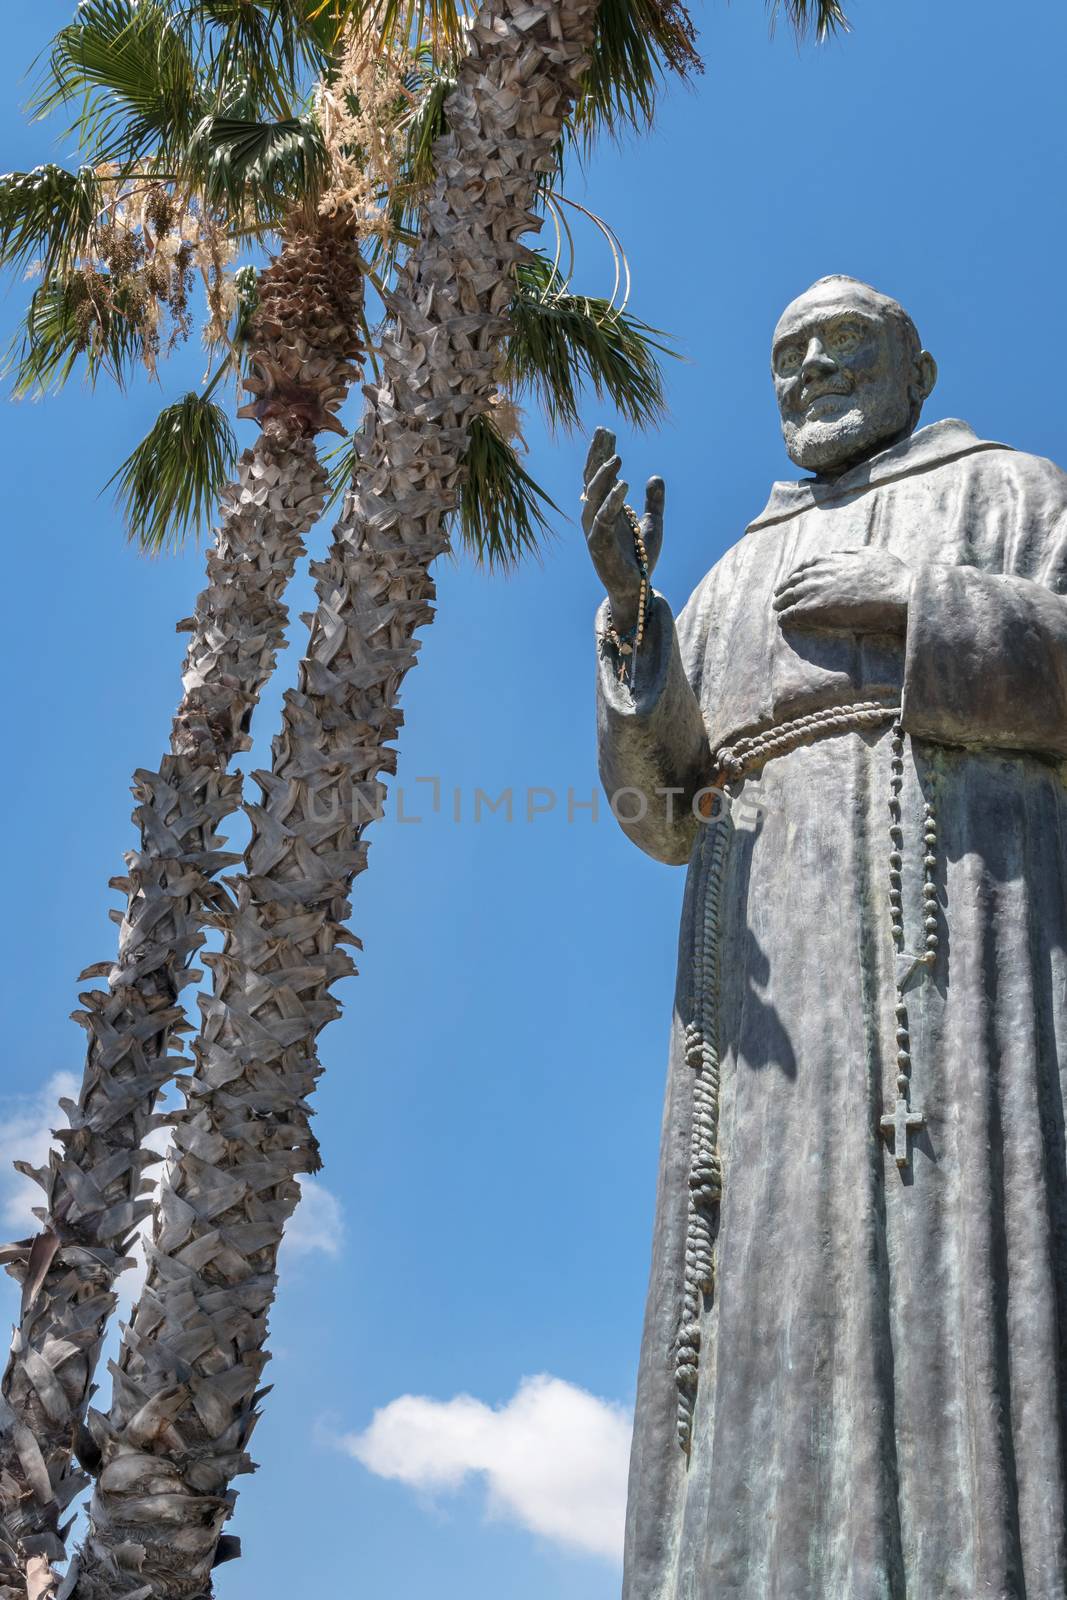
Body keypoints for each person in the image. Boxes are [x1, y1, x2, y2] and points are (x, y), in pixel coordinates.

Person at [584, 275, 1067, 1600]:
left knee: (961, 1276)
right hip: (768, 1008)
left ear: (917, 370)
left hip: (963, 955)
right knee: (759, 1311)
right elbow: (663, 811)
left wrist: (918, 604)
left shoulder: (1018, 495)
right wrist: (638, 638)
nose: (809, 375)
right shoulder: (737, 571)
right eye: (788, 358)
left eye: (843, 349)